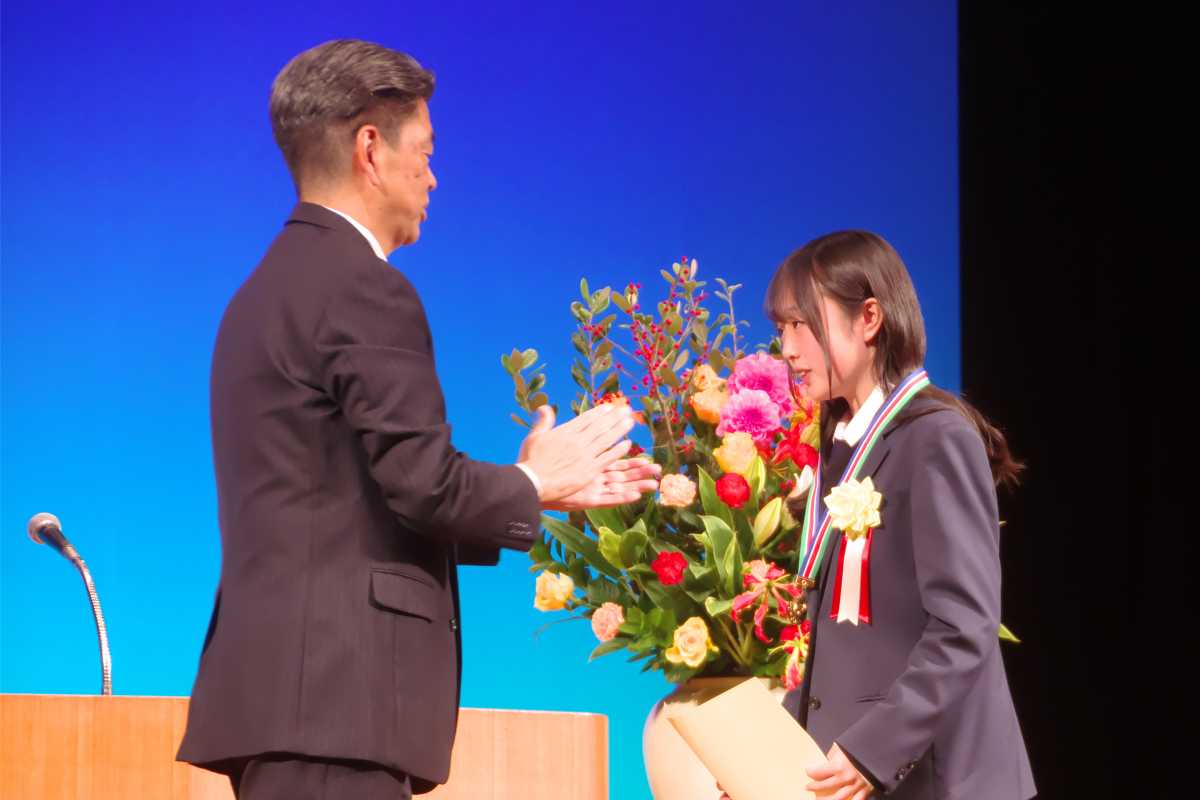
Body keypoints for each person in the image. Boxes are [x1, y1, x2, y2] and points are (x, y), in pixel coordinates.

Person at [176, 39, 659, 799]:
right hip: (334, 704)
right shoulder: (362, 286)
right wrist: (534, 481)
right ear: (371, 149)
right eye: (426, 152)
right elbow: (425, 486)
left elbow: (351, 501)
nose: (434, 176)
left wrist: (529, 487)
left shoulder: (264, 290)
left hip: (293, 702)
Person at [763, 230, 1035, 799]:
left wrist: (873, 750)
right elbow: (843, 653)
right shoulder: (840, 445)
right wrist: (762, 761)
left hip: (939, 779)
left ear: (869, 318)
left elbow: (964, 625)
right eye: (782, 328)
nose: (787, 348)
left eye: (802, 324)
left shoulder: (936, 437)